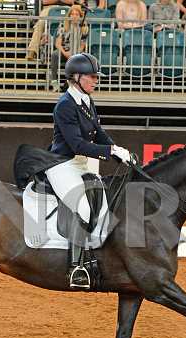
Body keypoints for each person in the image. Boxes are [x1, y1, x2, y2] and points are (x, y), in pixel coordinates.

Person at [46, 53, 132, 288]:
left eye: (96, 77)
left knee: (102, 202)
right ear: (76, 77)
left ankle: (95, 255)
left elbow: (99, 133)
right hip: (62, 164)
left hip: (80, 164)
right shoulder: (65, 105)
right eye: (92, 77)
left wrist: (118, 150)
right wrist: (109, 152)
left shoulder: (86, 101)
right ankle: (76, 268)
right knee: (83, 207)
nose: (96, 80)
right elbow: (77, 144)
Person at [50, 5, 88, 91]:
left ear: (80, 16)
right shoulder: (63, 25)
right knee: (55, 54)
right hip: (65, 51)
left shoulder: (84, 28)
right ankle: (54, 81)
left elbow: (82, 45)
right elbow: (58, 43)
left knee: (82, 58)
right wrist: (65, 53)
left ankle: (74, 83)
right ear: (69, 15)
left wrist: (75, 54)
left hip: (77, 52)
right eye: (72, 14)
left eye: (77, 14)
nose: (74, 16)